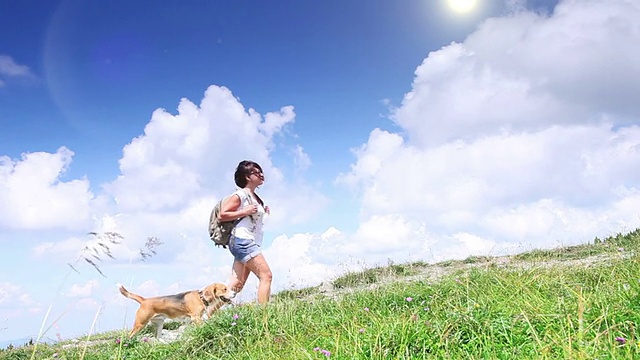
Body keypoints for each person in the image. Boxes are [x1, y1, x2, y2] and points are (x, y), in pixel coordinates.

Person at [218, 160, 272, 304]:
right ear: (247, 176)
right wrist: (245, 211)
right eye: (257, 172)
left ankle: (207, 315)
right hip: (242, 240)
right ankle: (264, 317)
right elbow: (222, 215)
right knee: (266, 275)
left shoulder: (256, 198)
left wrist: (264, 214)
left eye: (261, 171)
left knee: (236, 285)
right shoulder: (240, 195)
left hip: (248, 240)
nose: (261, 174)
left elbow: (253, 223)